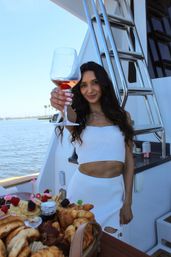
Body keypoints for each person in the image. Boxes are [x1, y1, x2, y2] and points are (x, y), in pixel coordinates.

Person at [50, 61, 134, 237]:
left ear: (103, 83)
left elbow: (129, 162)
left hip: (113, 195)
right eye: (83, 85)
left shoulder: (123, 116)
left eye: (95, 82)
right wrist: (58, 99)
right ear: (78, 90)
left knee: (112, 247)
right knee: (79, 244)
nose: (90, 90)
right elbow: (65, 110)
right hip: (83, 191)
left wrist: (127, 204)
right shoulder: (77, 117)